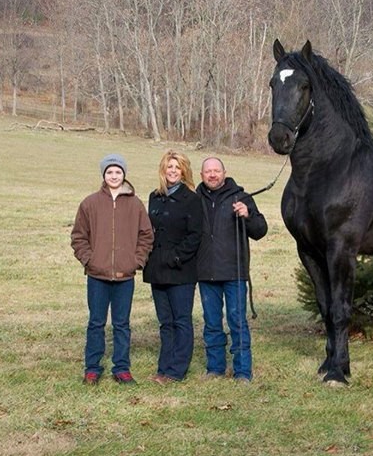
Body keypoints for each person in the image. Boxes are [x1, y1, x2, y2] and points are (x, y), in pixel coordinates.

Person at [70, 154, 153, 386]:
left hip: (125, 276)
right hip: (98, 275)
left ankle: (122, 368)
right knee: (96, 322)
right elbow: (78, 237)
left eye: (118, 172)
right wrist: (90, 260)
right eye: (109, 172)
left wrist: (136, 261)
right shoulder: (90, 203)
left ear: (124, 174)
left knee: (122, 323)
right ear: (104, 176)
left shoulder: (135, 204)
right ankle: (92, 368)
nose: (114, 176)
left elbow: (146, 235)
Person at [196, 157, 268, 382]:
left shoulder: (241, 197)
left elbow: (260, 230)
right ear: (202, 175)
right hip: (206, 272)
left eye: (216, 170)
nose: (212, 175)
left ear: (224, 173)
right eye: (208, 171)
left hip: (234, 272)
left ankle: (243, 372)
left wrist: (247, 215)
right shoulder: (194, 199)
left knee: (237, 321)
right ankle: (215, 368)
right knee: (211, 323)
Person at [142, 150, 202, 384]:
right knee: (165, 321)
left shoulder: (192, 199)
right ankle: (163, 366)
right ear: (163, 170)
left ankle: (177, 370)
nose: (173, 171)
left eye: (177, 167)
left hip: (181, 270)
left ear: (184, 171)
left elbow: (195, 235)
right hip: (157, 269)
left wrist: (177, 257)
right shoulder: (154, 197)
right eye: (170, 167)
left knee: (181, 320)